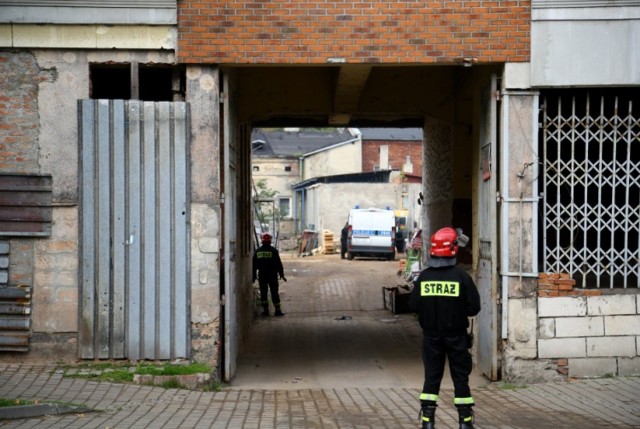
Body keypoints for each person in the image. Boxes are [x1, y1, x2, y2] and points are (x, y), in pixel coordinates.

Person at [409, 227, 481, 429]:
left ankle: (428, 422)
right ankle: (465, 423)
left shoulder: (424, 277)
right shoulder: (462, 277)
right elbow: (474, 308)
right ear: (453, 249)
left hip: (431, 337)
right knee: (460, 377)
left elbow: (413, 305)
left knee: (431, 377)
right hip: (457, 337)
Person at [252, 233, 286, 316]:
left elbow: (254, 266)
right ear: (270, 241)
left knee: (263, 293)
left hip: (262, 275)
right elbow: (279, 264)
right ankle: (277, 311)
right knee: (274, 292)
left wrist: (253, 276)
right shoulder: (274, 251)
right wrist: (281, 274)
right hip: (272, 275)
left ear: (262, 241)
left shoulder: (257, 252)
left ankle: (266, 311)